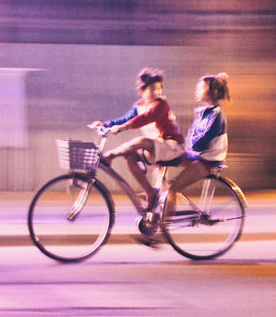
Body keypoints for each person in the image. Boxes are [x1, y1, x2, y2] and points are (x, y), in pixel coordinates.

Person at [147, 73, 230, 242]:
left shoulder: (216, 115)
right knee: (159, 158)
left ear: (212, 92)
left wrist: (188, 147)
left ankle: (161, 233)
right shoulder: (203, 112)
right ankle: (156, 200)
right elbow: (192, 137)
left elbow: (201, 141)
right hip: (196, 156)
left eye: (202, 87)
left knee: (172, 190)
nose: (197, 90)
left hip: (206, 161)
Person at [89, 68, 184, 209]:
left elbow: (146, 118)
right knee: (130, 157)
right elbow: (125, 118)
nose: (157, 92)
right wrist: (106, 124)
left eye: (159, 89)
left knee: (141, 141)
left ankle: (110, 155)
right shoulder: (139, 106)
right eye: (152, 89)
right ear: (142, 90)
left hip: (171, 145)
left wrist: (124, 127)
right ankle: (150, 192)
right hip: (155, 148)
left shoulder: (161, 104)